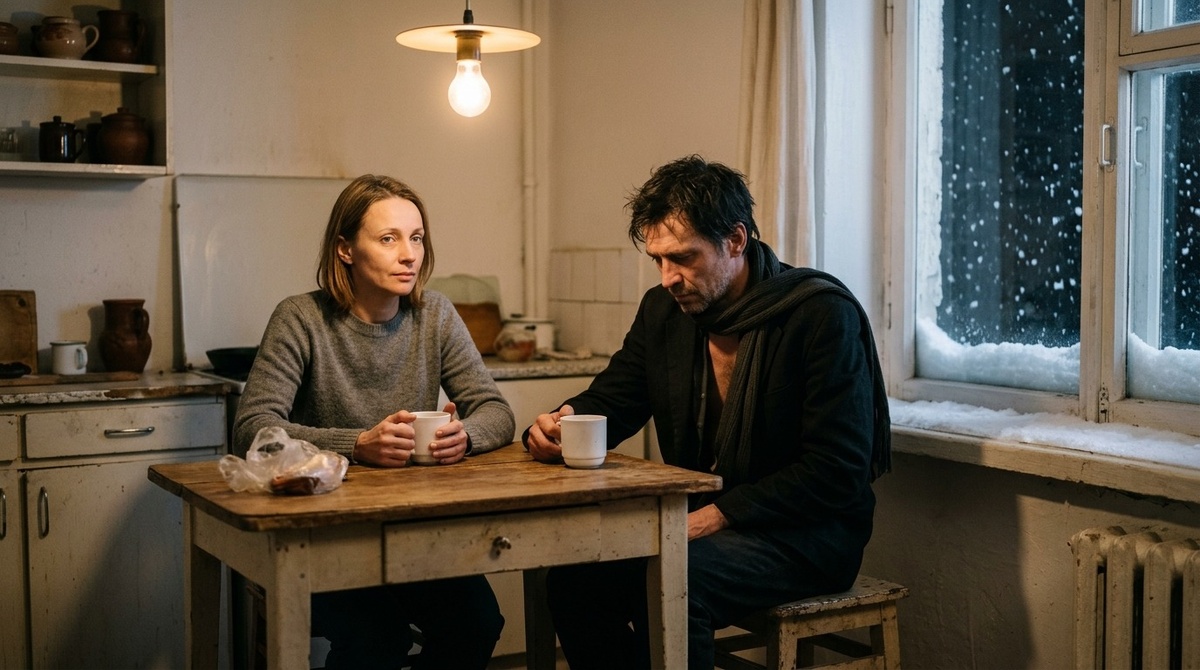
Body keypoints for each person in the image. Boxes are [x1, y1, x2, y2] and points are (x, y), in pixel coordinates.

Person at [523, 155, 891, 669]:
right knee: (574, 583)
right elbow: (614, 399)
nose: (668, 278)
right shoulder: (665, 312)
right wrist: (556, 425)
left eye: (683, 258)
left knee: (674, 581)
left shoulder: (817, 314)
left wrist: (716, 515)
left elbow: (837, 469)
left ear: (735, 240)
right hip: (701, 519)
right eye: (658, 259)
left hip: (807, 537)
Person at [234, 174, 515, 669]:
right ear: (345, 250)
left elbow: (496, 411)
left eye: (416, 238)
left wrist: (463, 437)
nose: (409, 255)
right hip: (321, 535)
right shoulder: (301, 319)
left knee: (477, 623)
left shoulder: (435, 315)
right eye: (389, 239)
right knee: (377, 637)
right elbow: (253, 428)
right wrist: (357, 444)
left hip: (411, 530)